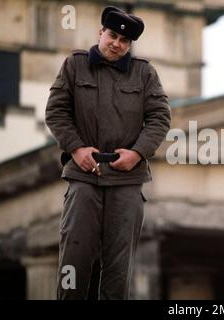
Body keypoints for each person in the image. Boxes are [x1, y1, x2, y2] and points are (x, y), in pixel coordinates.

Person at [45, 6, 171, 299]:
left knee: (119, 265)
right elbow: (56, 111)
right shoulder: (74, 65)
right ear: (100, 33)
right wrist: (75, 148)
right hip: (83, 176)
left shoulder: (144, 72)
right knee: (73, 259)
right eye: (112, 35)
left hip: (126, 179)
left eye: (124, 41)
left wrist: (137, 153)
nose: (117, 43)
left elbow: (160, 118)